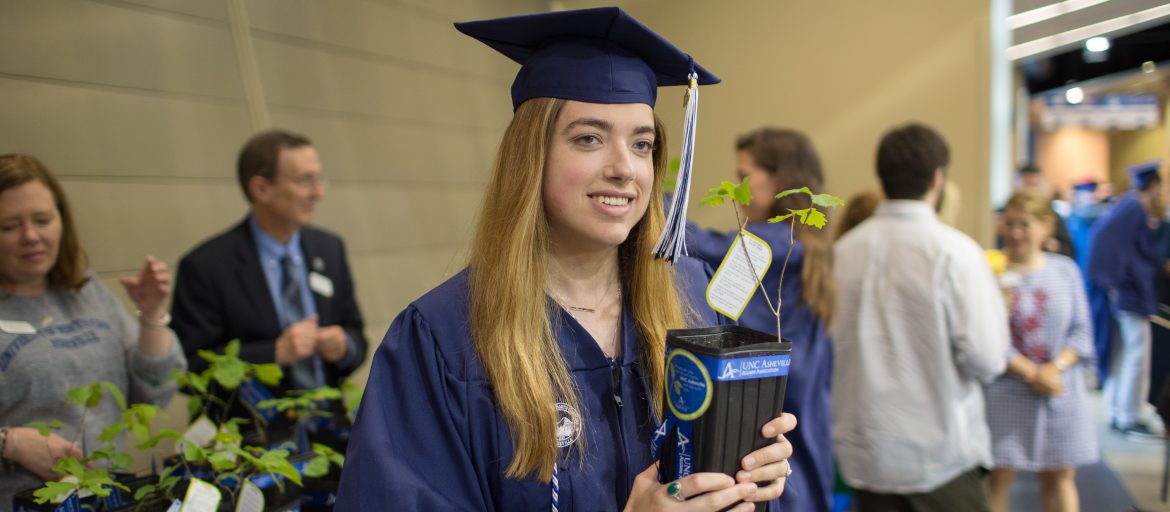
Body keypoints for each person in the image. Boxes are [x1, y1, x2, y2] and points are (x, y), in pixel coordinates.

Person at [336, 8, 797, 511]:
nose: (625, 168)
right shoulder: (444, 339)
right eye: (589, 139)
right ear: (530, 155)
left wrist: (747, 479)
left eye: (642, 144)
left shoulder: (689, 296)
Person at [832, 123, 1009, 511]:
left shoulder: (843, 253)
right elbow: (987, 358)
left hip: (865, 455)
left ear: (883, 176)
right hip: (939, 458)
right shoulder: (956, 253)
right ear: (938, 177)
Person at [0, 154, 186, 508]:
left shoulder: (86, 292)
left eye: (43, 220)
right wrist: (10, 442)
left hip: (106, 495)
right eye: (9, 226)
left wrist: (149, 314)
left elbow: (156, 391)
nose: (31, 236)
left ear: (62, 220)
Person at [170, 130, 367, 431]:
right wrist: (272, 354)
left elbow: (357, 334)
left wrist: (344, 347)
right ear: (261, 189)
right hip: (254, 445)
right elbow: (189, 371)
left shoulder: (329, 248)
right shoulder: (206, 266)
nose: (318, 193)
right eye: (305, 180)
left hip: (331, 432)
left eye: (319, 179)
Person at [687, 127, 836, 512]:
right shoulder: (809, 243)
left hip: (776, 432)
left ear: (779, 178)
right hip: (810, 428)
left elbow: (703, 246)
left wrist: (657, 202)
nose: (737, 189)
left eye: (743, 177)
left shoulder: (770, 246)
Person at [986, 190, 1098, 512]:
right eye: (1010, 223)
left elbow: (1081, 331)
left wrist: (1055, 368)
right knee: (1000, 476)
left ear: (1045, 226)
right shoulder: (989, 270)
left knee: (1060, 477)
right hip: (1008, 388)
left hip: (1060, 390)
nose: (1017, 232)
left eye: (1026, 224)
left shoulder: (1065, 270)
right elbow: (987, 333)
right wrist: (1031, 372)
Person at [1086, 161, 1165, 439]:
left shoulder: (1128, 206)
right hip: (1129, 292)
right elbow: (1108, 243)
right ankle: (1129, 415)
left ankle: (1120, 410)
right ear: (1153, 186)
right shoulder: (1133, 207)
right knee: (1136, 353)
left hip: (1127, 289)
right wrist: (1115, 281)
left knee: (1123, 354)